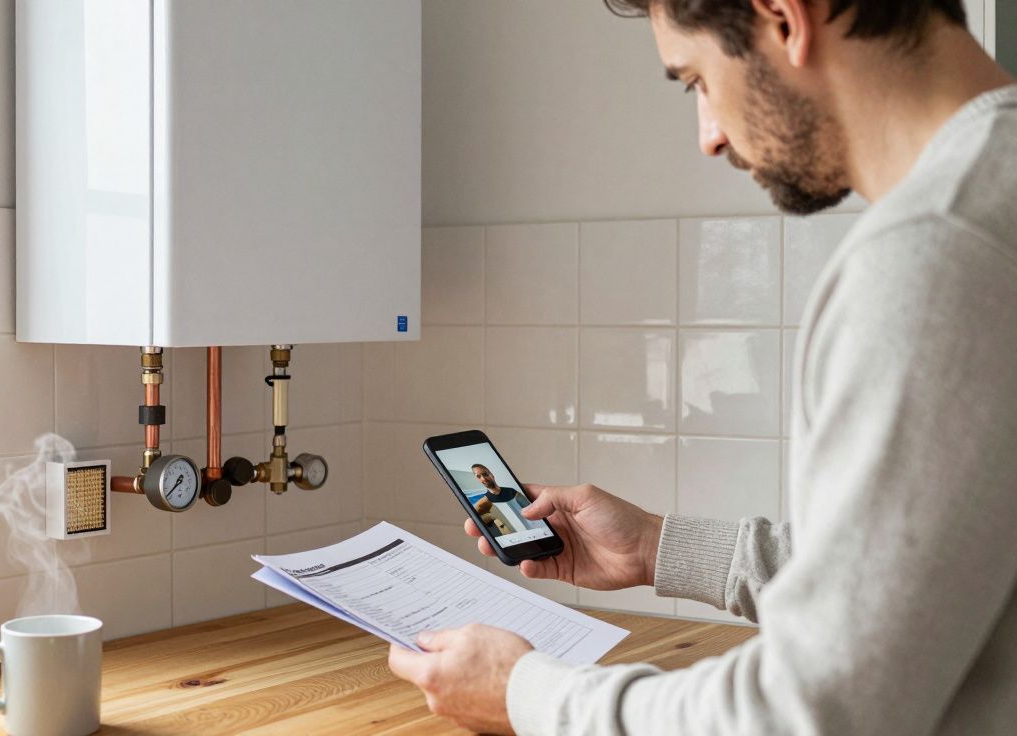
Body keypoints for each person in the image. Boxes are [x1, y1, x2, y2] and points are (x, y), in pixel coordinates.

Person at [387, 1, 1017, 734]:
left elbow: (808, 714)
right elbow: (931, 580)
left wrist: (524, 693)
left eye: (696, 81)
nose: (710, 136)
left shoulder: (935, 252)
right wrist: (659, 547)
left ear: (785, 19)